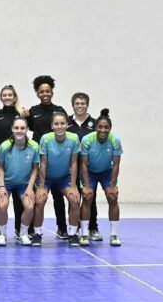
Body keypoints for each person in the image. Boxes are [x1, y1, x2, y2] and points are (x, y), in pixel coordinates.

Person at [28, 75, 68, 239]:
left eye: (48, 91)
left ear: (52, 92)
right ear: (38, 94)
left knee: (58, 196)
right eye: (42, 91)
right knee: (38, 196)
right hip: (38, 159)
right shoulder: (33, 111)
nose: (45, 94)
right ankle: (33, 230)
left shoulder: (59, 111)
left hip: (56, 158)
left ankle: (62, 228)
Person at [33, 112, 81, 247]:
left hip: (64, 178)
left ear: (67, 125)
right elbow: (43, 163)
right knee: (40, 200)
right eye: (56, 124)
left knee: (75, 200)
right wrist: (41, 186)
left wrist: (73, 186)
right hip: (46, 178)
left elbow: (74, 163)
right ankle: (37, 234)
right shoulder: (45, 139)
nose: (59, 127)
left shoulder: (74, 138)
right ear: (52, 126)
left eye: (62, 123)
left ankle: (73, 234)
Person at [79, 109, 124, 246]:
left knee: (113, 197)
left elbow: (116, 164)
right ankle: (85, 234)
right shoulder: (87, 140)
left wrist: (113, 186)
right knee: (87, 197)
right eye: (100, 127)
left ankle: (114, 235)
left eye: (106, 127)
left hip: (106, 172)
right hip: (90, 172)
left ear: (110, 128)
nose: (103, 130)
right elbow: (83, 164)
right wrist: (87, 186)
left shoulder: (115, 140)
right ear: (95, 127)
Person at [0, 84, 30, 239]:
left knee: (19, 199)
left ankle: (20, 230)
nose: (7, 97)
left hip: (19, 157)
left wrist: (27, 115)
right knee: (1, 197)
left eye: (10, 95)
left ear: (15, 97)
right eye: (5, 95)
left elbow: (29, 129)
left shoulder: (21, 114)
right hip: (1, 158)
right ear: (1, 98)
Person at [0, 118, 39, 246]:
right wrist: (2, 186)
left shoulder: (34, 146)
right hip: (7, 183)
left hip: (24, 184)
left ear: (27, 129)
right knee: (2, 205)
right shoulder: (5, 146)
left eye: (22, 128)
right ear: (12, 129)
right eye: (16, 128)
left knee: (29, 206)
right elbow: (0, 167)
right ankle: (2, 234)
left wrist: (30, 187)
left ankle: (23, 233)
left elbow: (35, 168)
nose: (19, 131)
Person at [67, 91, 101, 241]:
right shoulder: (66, 122)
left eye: (83, 103)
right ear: (72, 105)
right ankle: (73, 228)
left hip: (90, 168)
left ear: (87, 105)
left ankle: (92, 228)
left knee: (90, 197)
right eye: (77, 103)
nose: (80, 106)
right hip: (72, 167)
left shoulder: (95, 123)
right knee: (73, 198)